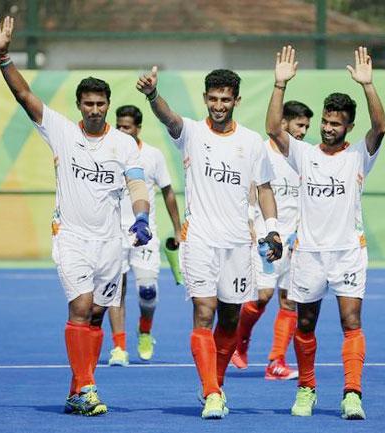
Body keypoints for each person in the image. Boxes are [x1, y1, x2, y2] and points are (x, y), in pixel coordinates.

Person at [0, 17, 152, 416]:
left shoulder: (124, 144)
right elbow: (24, 95)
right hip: (72, 237)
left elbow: (136, 186)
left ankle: (76, 390)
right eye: (88, 104)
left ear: (108, 106)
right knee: (80, 308)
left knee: (97, 314)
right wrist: (3, 57)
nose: (95, 110)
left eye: (101, 104)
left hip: (110, 242)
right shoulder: (62, 130)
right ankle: (86, 387)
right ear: (79, 105)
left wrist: (142, 218)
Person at [136, 66, 283, 419]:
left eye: (225, 99)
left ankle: (216, 385)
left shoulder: (251, 143)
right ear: (205, 99)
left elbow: (264, 189)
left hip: (238, 244)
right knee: (204, 312)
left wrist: (273, 229)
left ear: (236, 101)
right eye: (213, 99)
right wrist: (153, 95)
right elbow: (168, 117)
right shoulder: (191, 133)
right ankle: (211, 391)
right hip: (199, 240)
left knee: (230, 319)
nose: (219, 105)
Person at [266, 46, 385, 419]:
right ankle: (307, 389)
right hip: (308, 253)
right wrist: (279, 84)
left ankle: (352, 394)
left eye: (337, 123)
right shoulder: (303, 153)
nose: (329, 127)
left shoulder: (359, 155)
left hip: (349, 251)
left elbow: (380, 127)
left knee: (351, 322)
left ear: (348, 126)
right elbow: (273, 128)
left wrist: (368, 86)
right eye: (326, 121)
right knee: (304, 323)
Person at [231, 101, 314, 381]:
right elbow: (248, 191)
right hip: (266, 237)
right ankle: (238, 340)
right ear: (284, 124)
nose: (303, 132)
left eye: (306, 127)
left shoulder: (305, 156)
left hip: (296, 241)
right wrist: (249, 223)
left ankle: (275, 362)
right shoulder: (260, 152)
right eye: (299, 125)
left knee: (290, 302)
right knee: (263, 296)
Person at [106, 105, 183, 366]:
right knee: (115, 290)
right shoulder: (108, 153)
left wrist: (177, 228)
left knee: (147, 292)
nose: (121, 130)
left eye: (126, 126)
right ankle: (118, 347)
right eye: (118, 125)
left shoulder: (153, 155)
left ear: (138, 128)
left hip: (144, 233)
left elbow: (168, 192)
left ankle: (145, 330)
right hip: (115, 233)